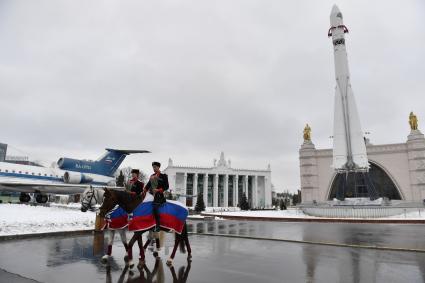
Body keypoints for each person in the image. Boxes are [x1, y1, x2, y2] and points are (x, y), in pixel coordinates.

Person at [144, 161, 169, 232]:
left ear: (158, 167)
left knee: (155, 208)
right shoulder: (152, 176)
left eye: (155, 167)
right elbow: (148, 185)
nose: (154, 168)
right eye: (153, 167)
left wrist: (158, 190)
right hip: (151, 195)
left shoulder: (163, 176)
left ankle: (158, 225)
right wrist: (144, 191)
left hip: (159, 196)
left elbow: (166, 186)